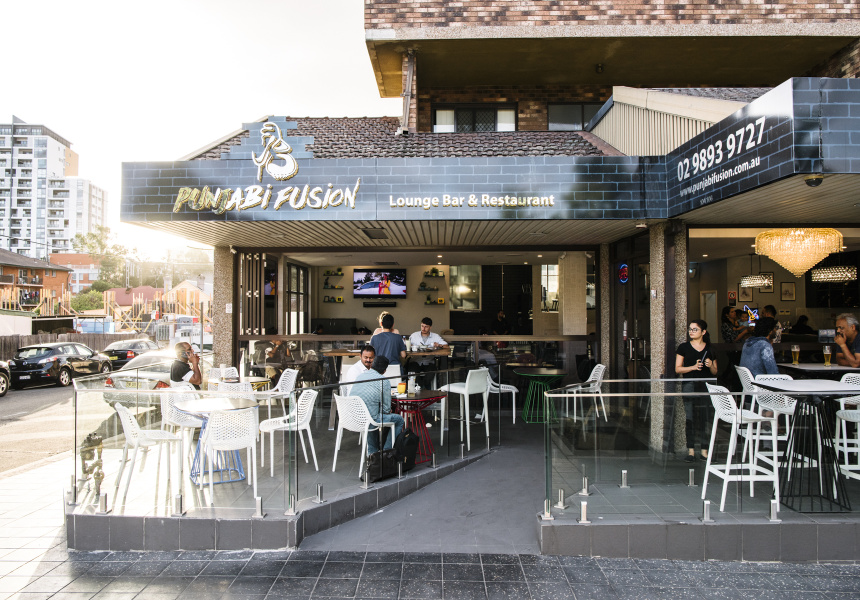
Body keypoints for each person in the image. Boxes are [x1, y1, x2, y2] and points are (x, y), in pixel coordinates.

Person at [675, 320, 718, 462]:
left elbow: (715, 372)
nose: (691, 332)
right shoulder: (684, 347)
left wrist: (711, 365)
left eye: (695, 329)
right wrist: (693, 367)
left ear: (703, 332)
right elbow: (678, 368)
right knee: (690, 417)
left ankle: (704, 451)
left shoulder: (710, 349)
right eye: (690, 329)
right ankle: (691, 451)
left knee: (705, 417)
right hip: (689, 385)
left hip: (706, 386)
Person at [350, 356, 404, 455]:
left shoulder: (360, 376)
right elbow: (386, 410)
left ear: (372, 365)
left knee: (372, 414)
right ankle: (386, 452)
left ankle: (372, 452)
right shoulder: (384, 381)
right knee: (399, 420)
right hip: (369, 421)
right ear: (384, 371)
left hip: (353, 418)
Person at [407, 317, 448, 388]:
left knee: (431, 372)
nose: (423, 329)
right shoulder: (414, 336)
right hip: (416, 361)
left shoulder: (435, 336)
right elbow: (406, 345)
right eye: (422, 326)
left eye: (426, 327)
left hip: (429, 362)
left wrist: (439, 345)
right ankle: (421, 386)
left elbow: (446, 346)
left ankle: (422, 386)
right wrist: (410, 346)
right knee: (412, 372)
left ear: (430, 327)